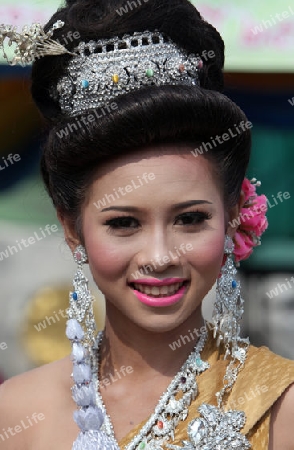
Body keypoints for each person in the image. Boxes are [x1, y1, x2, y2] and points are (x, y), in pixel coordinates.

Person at [0, 1, 294, 449]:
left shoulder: (280, 408)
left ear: (234, 215)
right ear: (71, 227)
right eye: (123, 223)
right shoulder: (18, 414)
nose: (159, 256)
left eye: (190, 219)